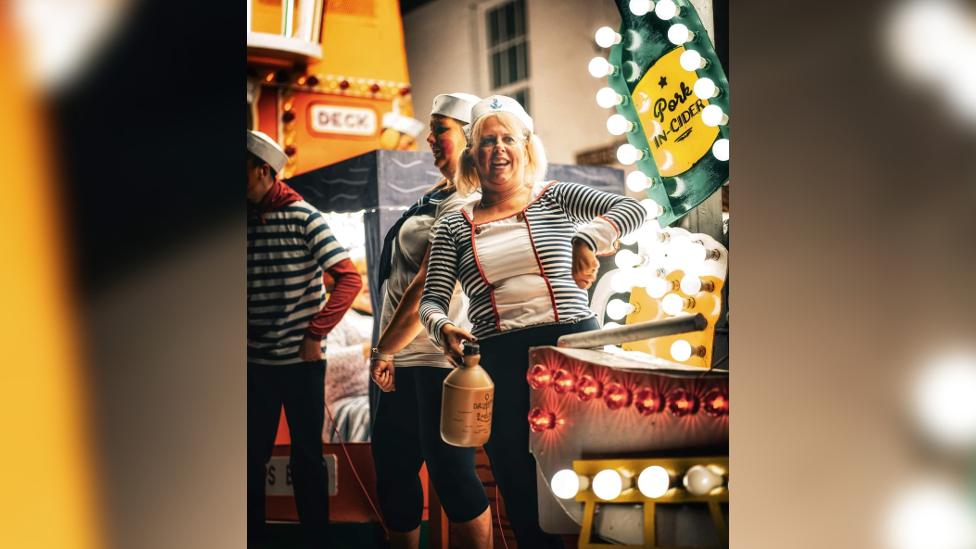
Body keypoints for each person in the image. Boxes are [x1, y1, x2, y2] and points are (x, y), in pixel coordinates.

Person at [419, 95, 645, 548]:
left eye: (507, 139)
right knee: (518, 482)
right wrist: (443, 327)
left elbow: (632, 210)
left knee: (592, 478)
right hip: (499, 362)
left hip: (573, 348)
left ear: (526, 146)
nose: (497, 149)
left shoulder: (558, 195)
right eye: (486, 141)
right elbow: (432, 301)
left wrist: (586, 236)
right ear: (472, 153)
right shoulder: (454, 225)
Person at [369, 93, 493, 549]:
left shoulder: (470, 198)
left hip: (440, 361)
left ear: (467, 135)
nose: (429, 137)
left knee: (453, 478)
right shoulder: (435, 196)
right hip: (406, 361)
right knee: (395, 475)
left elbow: (425, 284)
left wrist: (384, 347)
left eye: (440, 128)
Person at [247, 130, 362, 548]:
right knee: (249, 458)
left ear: (263, 171)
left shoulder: (304, 216)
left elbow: (349, 278)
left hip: (301, 363)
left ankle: (317, 540)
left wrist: (316, 333)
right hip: (254, 361)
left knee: (307, 456)